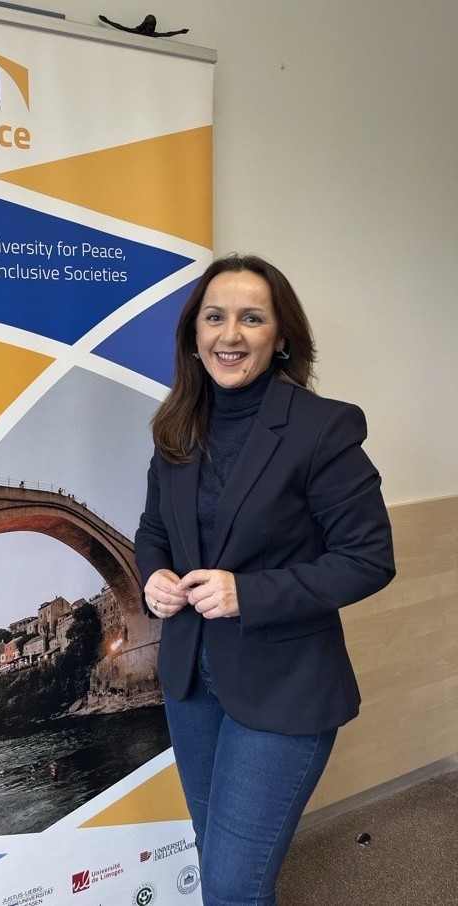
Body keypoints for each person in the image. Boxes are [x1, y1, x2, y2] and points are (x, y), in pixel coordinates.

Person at [134, 254, 395, 906]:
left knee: (228, 885)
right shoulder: (177, 426)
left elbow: (368, 557)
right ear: (194, 334)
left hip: (285, 688)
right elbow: (152, 531)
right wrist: (153, 577)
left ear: (280, 337)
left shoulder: (322, 427)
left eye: (252, 318)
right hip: (191, 683)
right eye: (215, 317)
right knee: (224, 865)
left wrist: (247, 593)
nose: (230, 335)